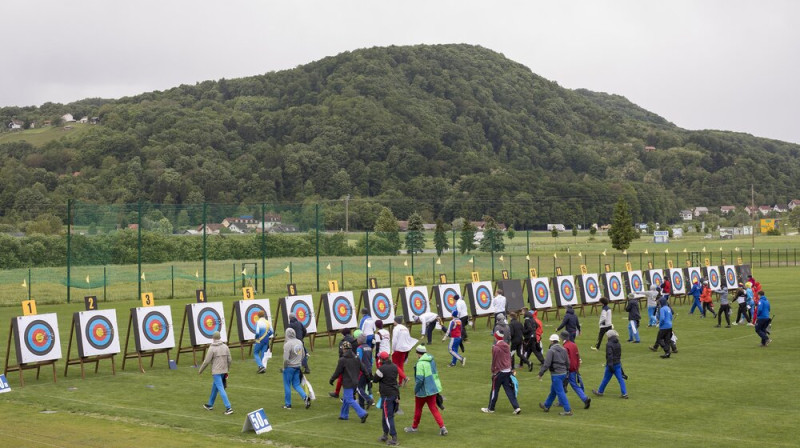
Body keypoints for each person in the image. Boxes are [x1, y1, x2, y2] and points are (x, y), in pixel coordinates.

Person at [404, 346, 447, 435]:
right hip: (432, 389)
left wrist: (416, 390)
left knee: (418, 409)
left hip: (422, 391)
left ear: (417, 353)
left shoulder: (420, 364)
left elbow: (420, 379)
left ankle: (414, 427)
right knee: (434, 409)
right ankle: (442, 427)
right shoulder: (431, 360)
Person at [481, 330, 521, 415]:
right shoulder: (506, 345)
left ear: (496, 336)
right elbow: (509, 357)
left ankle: (491, 408)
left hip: (499, 372)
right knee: (509, 390)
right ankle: (516, 407)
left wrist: (493, 370)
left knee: (494, 390)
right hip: (507, 371)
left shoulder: (496, 347)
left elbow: (494, 360)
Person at [329, 340, 370, 423]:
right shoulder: (356, 358)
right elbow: (363, 368)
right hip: (355, 382)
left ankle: (362, 413)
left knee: (349, 399)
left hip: (347, 382)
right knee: (346, 399)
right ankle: (344, 415)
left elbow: (338, 371)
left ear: (344, 349)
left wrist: (332, 379)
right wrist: (368, 377)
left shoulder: (342, 360)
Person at [199, 331, 233, 415]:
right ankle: (210, 404)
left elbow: (206, 361)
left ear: (213, 338)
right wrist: (227, 369)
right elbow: (230, 360)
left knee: (220, 388)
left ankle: (228, 407)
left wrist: (200, 370)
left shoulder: (212, 348)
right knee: (215, 387)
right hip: (223, 371)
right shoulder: (225, 346)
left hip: (216, 372)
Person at [538, 334, 572, 416]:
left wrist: (541, 373)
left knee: (560, 392)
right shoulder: (563, 349)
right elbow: (568, 362)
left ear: (552, 341)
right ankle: (546, 405)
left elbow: (547, 364)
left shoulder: (551, 350)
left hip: (556, 374)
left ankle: (568, 410)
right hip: (563, 373)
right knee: (553, 391)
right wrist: (567, 371)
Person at [592, 329, 628, 399]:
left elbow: (609, 355)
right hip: (618, 364)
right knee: (620, 379)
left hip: (611, 365)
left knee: (606, 378)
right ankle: (624, 393)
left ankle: (600, 392)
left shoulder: (609, 344)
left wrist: (610, 366)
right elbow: (619, 355)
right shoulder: (618, 343)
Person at [373, 351, 400, 445]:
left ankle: (394, 437)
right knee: (385, 416)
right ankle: (385, 434)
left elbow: (375, 380)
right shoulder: (394, 366)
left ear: (381, 359)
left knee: (388, 417)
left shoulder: (381, 369)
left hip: (387, 395)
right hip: (394, 393)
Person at [282, 328, 311, 409]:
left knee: (287, 385)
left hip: (289, 367)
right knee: (296, 385)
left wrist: (284, 367)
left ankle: (288, 404)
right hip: (297, 367)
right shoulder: (299, 342)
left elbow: (286, 359)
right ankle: (305, 397)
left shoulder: (288, 344)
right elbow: (303, 354)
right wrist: (299, 363)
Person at [561, 330, 591, 409]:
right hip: (574, 368)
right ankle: (561, 401)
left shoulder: (565, 347)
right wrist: (577, 367)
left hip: (568, 369)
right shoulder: (573, 345)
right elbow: (577, 356)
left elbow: (566, 359)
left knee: (566, 385)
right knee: (565, 385)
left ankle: (585, 398)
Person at [329, 328, 357, 398]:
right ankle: (351, 394)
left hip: (345, 362)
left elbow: (341, 353)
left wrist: (341, 362)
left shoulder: (342, 342)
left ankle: (339, 393)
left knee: (341, 378)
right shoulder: (355, 341)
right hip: (354, 362)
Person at [391, 315, 417, 387]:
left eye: (394, 320)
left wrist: (393, 349)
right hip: (405, 349)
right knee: (400, 365)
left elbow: (394, 340)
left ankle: (405, 378)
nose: (393, 322)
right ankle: (400, 382)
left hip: (398, 349)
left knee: (395, 365)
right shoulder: (405, 328)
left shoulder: (396, 328)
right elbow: (408, 338)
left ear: (396, 321)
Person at [356, 332, 375, 409]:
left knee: (359, 388)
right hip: (369, 370)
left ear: (360, 340)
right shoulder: (369, 348)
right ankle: (361, 405)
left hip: (362, 371)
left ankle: (368, 399)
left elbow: (358, 361)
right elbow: (372, 360)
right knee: (364, 388)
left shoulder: (359, 348)